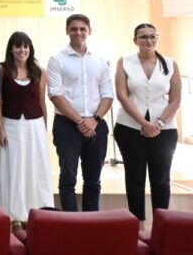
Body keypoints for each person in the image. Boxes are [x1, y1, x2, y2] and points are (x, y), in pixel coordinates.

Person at [114, 23, 180, 225]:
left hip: (164, 129)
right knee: (135, 179)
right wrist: (144, 123)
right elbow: (122, 96)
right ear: (135, 41)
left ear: (157, 38)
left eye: (152, 36)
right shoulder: (124, 62)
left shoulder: (170, 63)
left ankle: (162, 224)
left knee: (161, 179)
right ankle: (138, 225)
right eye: (143, 37)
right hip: (130, 128)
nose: (148, 40)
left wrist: (158, 123)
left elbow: (175, 99)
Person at [47, 13, 114, 212]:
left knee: (93, 180)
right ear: (67, 31)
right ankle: (70, 224)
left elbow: (108, 94)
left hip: (96, 126)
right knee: (68, 179)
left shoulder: (100, 61)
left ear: (89, 31)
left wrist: (94, 120)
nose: (78, 32)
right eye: (74, 29)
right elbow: (55, 94)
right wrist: (80, 121)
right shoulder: (57, 60)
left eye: (82, 29)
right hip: (67, 126)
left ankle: (91, 224)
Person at [0, 32, 54, 229]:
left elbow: (41, 102)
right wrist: (0, 129)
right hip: (10, 124)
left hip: (34, 126)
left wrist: (44, 129)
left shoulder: (39, 71)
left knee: (35, 169)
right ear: (11, 49)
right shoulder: (2, 70)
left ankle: (35, 213)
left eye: (26, 46)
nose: (22, 50)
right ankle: (13, 217)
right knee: (14, 169)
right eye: (18, 46)